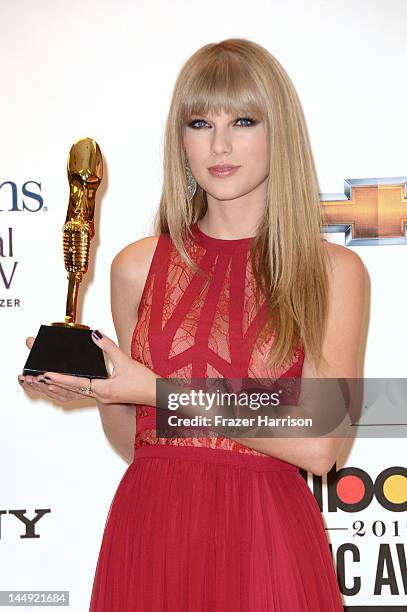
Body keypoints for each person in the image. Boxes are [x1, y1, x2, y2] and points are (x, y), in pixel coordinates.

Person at [19, 38, 367, 611]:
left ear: (279, 133)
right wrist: (102, 391)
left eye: (244, 120)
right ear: (180, 139)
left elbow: (320, 444)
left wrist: (154, 389)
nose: (221, 144)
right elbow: (138, 441)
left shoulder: (332, 270)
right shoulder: (136, 265)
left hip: (267, 538)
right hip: (152, 530)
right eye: (201, 122)